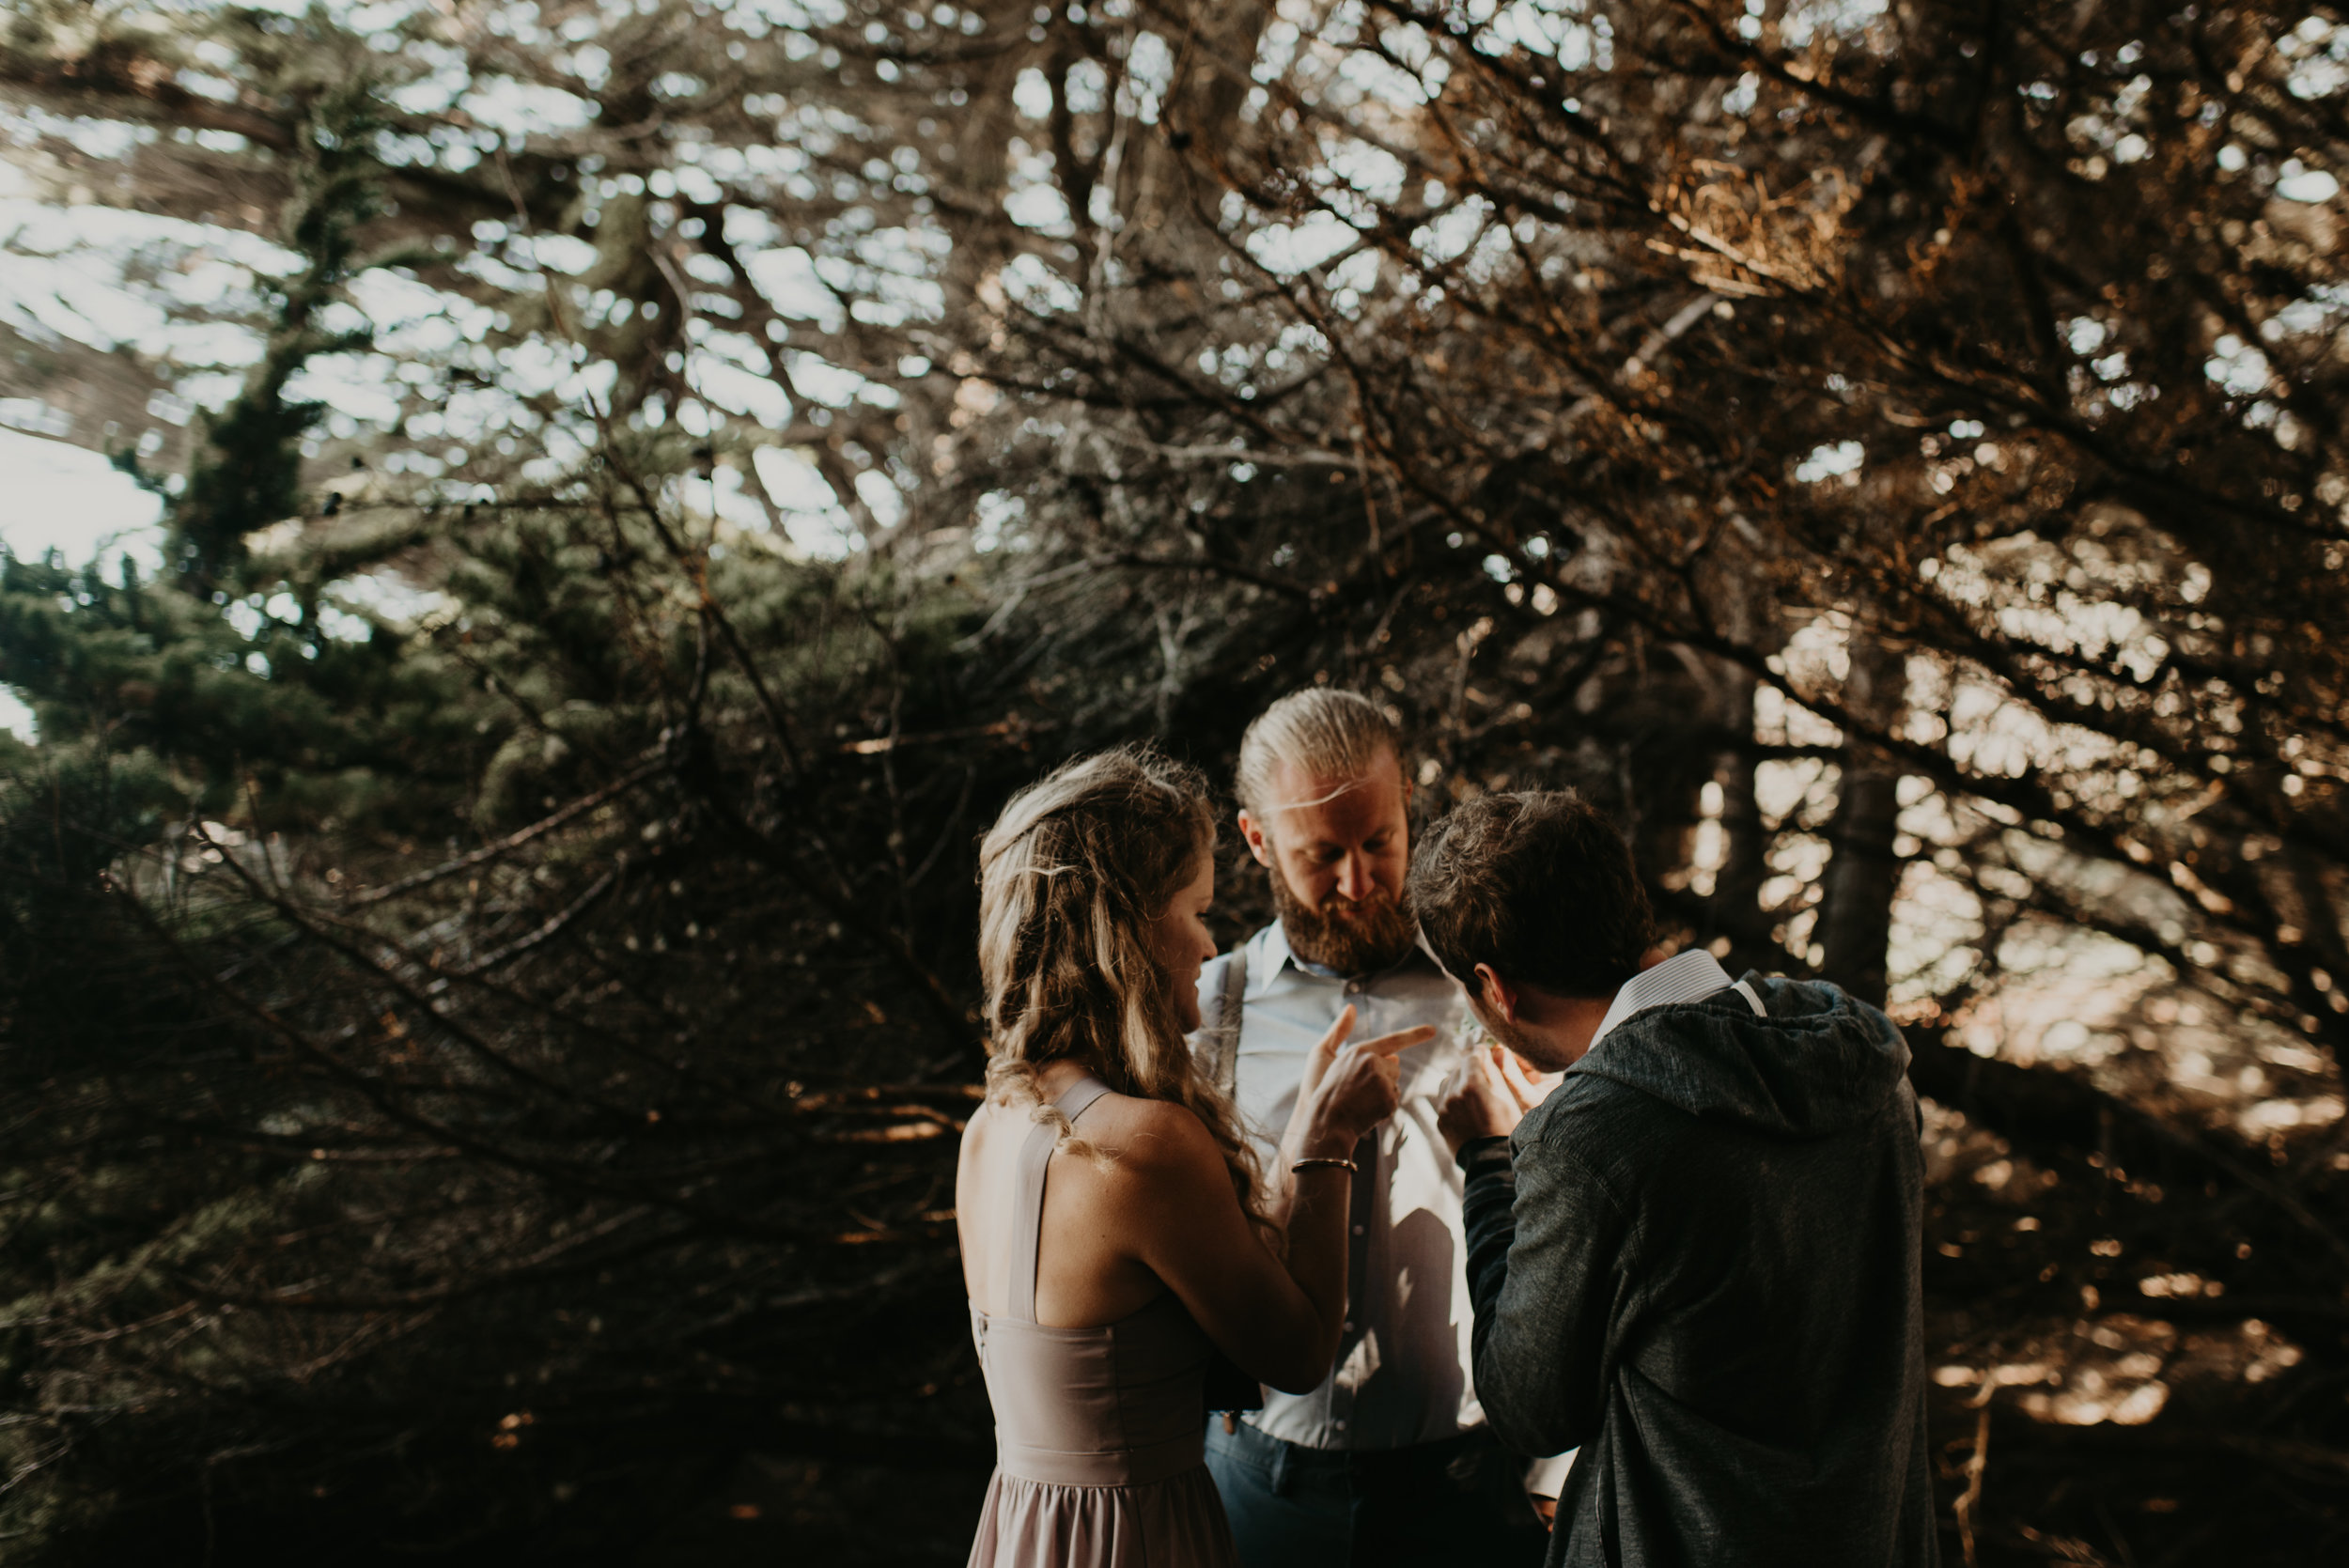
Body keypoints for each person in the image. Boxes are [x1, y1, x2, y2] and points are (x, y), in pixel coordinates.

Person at [1416, 789, 1940, 1567]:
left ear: (1496, 987)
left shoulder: (1594, 1139)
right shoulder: (1860, 1059)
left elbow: (1529, 1407)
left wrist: (1492, 1161)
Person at [958, 745, 1436, 1568]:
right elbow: (1295, 1352)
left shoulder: (993, 1124)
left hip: (1028, 1533)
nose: (1211, 948)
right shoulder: (1142, 1147)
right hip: (1137, 1538)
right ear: (1132, 927)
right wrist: (1326, 1144)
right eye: (1197, 910)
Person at [1191, 690, 1551, 1567]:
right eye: (1322, 854)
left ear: (1406, 811)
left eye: (1379, 842)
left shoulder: (1489, 988)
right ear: (1257, 840)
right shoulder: (1208, 1012)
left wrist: (1550, 1470)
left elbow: (1569, 1228)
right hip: (1258, 1483)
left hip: (1469, 1490)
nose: (1358, 883)